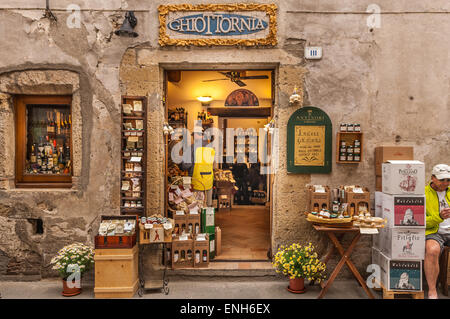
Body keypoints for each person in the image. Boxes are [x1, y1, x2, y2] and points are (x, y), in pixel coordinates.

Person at [424, 163, 450, 299]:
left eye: (448, 180)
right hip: (434, 231)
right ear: (433, 178)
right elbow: (420, 221)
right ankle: (432, 290)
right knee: (432, 250)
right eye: (442, 180)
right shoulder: (423, 194)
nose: (445, 183)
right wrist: (439, 217)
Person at [180, 124, 215, 207]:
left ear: (196, 135)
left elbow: (186, 165)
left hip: (197, 181)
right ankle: (208, 219)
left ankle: (199, 219)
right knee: (207, 206)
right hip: (209, 180)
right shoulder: (211, 147)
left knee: (197, 206)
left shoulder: (192, 148)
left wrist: (180, 164)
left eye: (193, 135)